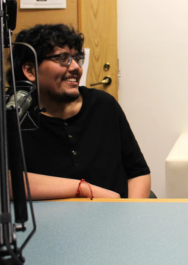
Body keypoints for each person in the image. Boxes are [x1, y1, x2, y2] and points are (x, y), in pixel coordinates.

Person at [8, 24, 152, 199]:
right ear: (30, 71)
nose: (76, 67)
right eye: (63, 58)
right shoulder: (16, 116)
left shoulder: (104, 105)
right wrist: (82, 188)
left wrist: (132, 218)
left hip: (116, 218)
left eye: (77, 58)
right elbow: (3, 181)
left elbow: (138, 172)